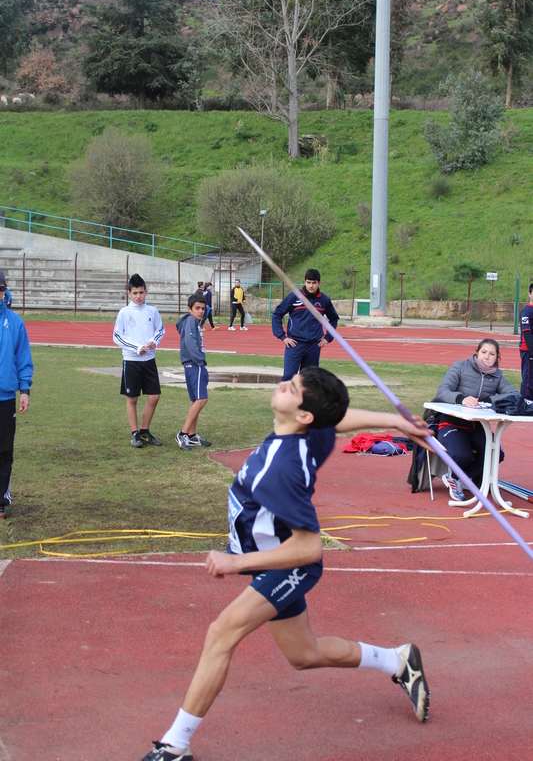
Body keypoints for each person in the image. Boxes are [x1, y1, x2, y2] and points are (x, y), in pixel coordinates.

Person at [140, 366, 431, 761]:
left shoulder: (282, 468)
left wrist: (235, 563)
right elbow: (338, 419)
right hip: (271, 560)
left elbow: (309, 548)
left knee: (220, 633)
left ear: (303, 415)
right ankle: (397, 660)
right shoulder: (305, 432)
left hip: (287, 564)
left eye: (291, 388)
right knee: (304, 655)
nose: (282, 384)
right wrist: (397, 420)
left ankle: (175, 745)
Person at [435, 338, 519, 501]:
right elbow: (442, 391)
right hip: (452, 424)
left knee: (497, 454)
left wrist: (490, 400)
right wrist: (461, 399)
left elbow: (514, 395)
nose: (486, 357)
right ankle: (459, 477)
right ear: (477, 353)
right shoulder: (460, 366)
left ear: (497, 358)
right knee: (463, 455)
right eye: (483, 352)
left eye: (492, 354)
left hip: (479, 427)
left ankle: (458, 478)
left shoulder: (497, 376)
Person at [113, 274, 165, 449]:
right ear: (128, 293)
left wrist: (153, 342)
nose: (138, 296)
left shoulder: (152, 311)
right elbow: (117, 336)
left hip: (149, 359)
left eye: (141, 292)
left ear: (146, 292)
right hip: (132, 360)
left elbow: (160, 329)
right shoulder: (124, 313)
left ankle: (144, 431)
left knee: (154, 396)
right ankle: (134, 434)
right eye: (135, 293)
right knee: (132, 398)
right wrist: (136, 347)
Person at [0, 268, 33, 518]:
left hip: (5, 396)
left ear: (4, 292)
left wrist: (25, 389)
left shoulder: (15, 322)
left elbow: (23, 358)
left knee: (4, 449)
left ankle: (1, 497)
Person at [272, 268, 339, 381]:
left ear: (319, 283)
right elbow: (277, 314)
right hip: (294, 344)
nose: (311, 286)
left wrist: (328, 338)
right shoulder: (294, 297)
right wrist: (282, 336)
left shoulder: (324, 300)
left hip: (314, 346)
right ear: (304, 282)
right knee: (289, 377)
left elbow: (334, 319)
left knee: (309, 380)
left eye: (314, 283)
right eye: (308, 282)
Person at [175, 294, 212, 451]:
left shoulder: (194, 322)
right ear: (189, 309)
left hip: (193, 365)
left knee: (196, 399)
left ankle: (191, 435)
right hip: (194, 364)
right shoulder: (190, 321)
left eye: (203, 308)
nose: (201, 311)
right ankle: (183, 434)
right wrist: (200, 362)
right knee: (202, 399)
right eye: (197, 308)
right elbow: (190, 344)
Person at [519, 283, 533, 399]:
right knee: (528, 379)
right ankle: (525, 404)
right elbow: (527, 334)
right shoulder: (526, 312)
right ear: (529, 294)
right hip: (528, 351)